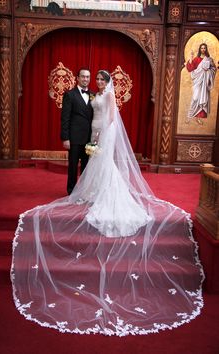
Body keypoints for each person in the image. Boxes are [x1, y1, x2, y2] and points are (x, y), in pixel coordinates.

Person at [11, 70, 204, 336]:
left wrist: (101, 137)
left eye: (101, 79)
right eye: (96, 79)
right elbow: (83, 114)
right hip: (89, 132)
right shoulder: (93, 94)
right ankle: (86, 191)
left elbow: (110, 118)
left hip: (103, 133)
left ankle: (104, 195)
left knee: (103, 168)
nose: (98, 82)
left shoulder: (108, 96)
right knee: (92, 169)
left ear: (106, 82)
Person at [61, 67, 93, 194]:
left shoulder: (93, 95)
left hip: (89, 139)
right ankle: (71, 191)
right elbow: (65, 118)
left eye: (88, 77)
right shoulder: (70, 94)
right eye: (83, 76)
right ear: (77, 78)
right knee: (73, 167)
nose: (85, 79)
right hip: (74, 138)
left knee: (86, 167)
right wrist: (65, 138)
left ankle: (84, 191)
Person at [186, 43, 216, 124]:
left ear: (206, 49)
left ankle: (198, 118)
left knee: (202, 99)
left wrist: (208, 71)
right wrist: (191, 58)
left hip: (205, 83)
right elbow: (190, 69)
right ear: (200, 49)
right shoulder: (196, 59)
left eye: (204, 48)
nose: (203, 49)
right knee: (195, 98)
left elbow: (213, 69)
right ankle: (189, 116)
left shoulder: (209, 59)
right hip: (197, 82)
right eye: (202, 48)